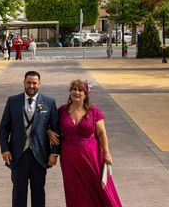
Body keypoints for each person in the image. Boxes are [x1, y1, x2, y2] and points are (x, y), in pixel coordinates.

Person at [52, 79, 123, 207]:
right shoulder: (61, 111)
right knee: (75, 191)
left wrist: (107, 153)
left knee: (99, 188)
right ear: (70, 92)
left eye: (80, 90)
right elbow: (51, 126)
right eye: (74, 89)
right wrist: (48, 132)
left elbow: (101, 133)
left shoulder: (94, 111)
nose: (76, 92)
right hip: (69, 159)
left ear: (86, 94)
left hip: (92, 156)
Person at [0, 71, 60, 207]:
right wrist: (4, 149)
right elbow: (4, 127)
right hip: (18, 154)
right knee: (18, 192)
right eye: (28, 82)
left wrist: (54, 153)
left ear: (39, 84)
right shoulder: (12, 101)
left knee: (39, 192)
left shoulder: (49, 102)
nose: (31, 86)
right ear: (24, 82)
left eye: (34, 83)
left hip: (39, 155)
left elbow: (56, 130)